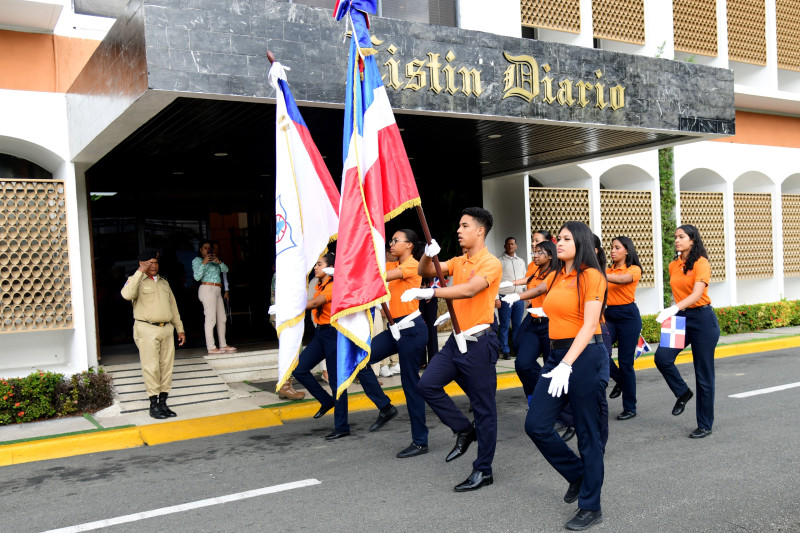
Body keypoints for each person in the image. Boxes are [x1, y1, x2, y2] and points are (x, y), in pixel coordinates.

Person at [403, 207, 501, 492]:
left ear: (480, 230)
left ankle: (483, 470)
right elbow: (424, 271)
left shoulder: (490, 263)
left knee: (484, 410)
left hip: (479, 342)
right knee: (427, 385)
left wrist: (431, 292)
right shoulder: (458, 261)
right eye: (459, 225)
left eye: (464, 225)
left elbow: (470, 290)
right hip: (456, 343)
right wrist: (426, 253)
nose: (459, 230)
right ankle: (464, 429)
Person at [520, 221, 609, 531]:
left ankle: (590, 506)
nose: (558, 242)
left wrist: (568, 364)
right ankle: (578, 474)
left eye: (566, 239)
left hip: (584, 356)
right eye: (558, 238)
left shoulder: (591, 276)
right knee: (536, 424)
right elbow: (553, 308)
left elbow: (588, 324)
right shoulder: (557, 274)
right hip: (557, 355)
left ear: (580, 242)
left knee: (587, 433)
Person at [292, 253, 398, 440]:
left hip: (336, 334)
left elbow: (316, 303)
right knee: (300, 369)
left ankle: (342, 426)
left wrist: (290, 308)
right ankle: (327, 401)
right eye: (316, 264)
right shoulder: (320, 284)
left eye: (319, 264)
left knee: (338, 380)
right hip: (321, 334)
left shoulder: (335, 286)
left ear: (330, 268)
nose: (316, 268)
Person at [368, 229, 431, 458]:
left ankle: (420, 441)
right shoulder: (392, 266)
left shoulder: (413, 266)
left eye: (396, 241)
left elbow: (377, 276)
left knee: (410, 386)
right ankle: (385, 407)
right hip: (394, 330)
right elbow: (369, 272)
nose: (391, 244)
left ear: (410, 245)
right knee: (362, 359)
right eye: (391, 240)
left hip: (412, 331)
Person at [654, 224, 720, 439]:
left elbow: (697, 293)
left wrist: (673, 308)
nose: (677, 240)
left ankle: (704, 424)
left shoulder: (701, 263)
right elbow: (679, 293)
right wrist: (673, 312)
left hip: (702, 319)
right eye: (675, 237)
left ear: (692, 240)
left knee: (703, 375)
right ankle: (682, 392)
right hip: (680, 318)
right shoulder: (674, 264)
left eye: (681, 237)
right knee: (662, 358)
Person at [121, 251, 187, 419]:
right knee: (151, 367)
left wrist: (180, 329)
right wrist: (139, 272)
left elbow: (173, 307)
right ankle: (153, 405)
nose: (154, 266)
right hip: (146, 329)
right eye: (149, 263)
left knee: (166, 366)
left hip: (166, 328)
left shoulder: (164, 282)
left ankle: (163, 403)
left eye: (156, 262)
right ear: (142, 264)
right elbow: (126, 295)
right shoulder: (136, 280)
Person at [503, 240, 559, 403]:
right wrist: (510, 285)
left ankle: (558, 412)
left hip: (551, 324)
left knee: (552, 369)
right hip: (535, 323)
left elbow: (539, 289)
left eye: (539, 252)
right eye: (534, 252)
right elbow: (529, 283)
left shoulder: (554, 274)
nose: (535, 255)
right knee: (522, 364)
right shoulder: (537, 272)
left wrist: (517, 296)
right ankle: (535, 397)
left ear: (549, 255)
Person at [605, 236, 643, 420]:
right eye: (611, 247)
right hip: (610, 315)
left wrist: (598, 274)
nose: (612, 250)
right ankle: (620, 380)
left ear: (626, 250)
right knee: (601, 351)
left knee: (626, 363)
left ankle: (630, 407)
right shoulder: (607, 270)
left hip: (629, 317)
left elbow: (623, 280)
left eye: (617, 247)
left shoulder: (633, 269)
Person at [192, 240, 236, 354]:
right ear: (201, 250)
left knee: (222, 318)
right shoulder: (197, 261)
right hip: (207, 288)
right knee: (210, 319)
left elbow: (226, 269)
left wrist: (219, 262)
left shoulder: (215, 261)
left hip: (217, 289)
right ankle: (211, 347)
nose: (208, 250)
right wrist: (204, 263)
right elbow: (196, 277)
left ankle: (223, 344)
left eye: (209, 248)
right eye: (205, 248)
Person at [497, 237, 527, 359]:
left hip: (518, 297)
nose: (510, 246)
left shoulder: (521, 261)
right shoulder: (499, 261)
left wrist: (526, 295)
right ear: (505, 246)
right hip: (505, 296)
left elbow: (525, 278)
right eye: (508, 244)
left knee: (517, 325)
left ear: (516, 246)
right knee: (504, 324)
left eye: (512, 244)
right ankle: (505, 350)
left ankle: (516, 348)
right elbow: (496, 280)